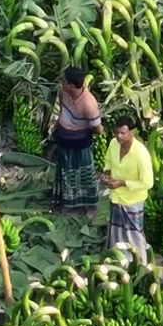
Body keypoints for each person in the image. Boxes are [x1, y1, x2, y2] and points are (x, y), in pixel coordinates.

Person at [51, 66, 103, 216]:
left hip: (81, 145)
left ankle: (91, 206)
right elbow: (61, 109)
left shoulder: (89, 104)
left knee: (85, 175)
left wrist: (80, 132)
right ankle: (67, 202)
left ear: (72, 85)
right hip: (64, 141)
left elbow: (98, 129)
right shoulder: (64, 92)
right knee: (67, 174)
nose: (61, 83)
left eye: (64, 81)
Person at [100, 119, 152, 262]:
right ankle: (119, 260)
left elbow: (148, 183)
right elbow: (108, 161)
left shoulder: (141, 154)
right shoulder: (113, 144)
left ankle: (140, 263)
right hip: (116, 197)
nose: (119, 136)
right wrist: (106, 173)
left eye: (122, 133)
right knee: (116, 232)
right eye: (116, 132)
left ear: (132, 132)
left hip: (132, 201)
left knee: (134, 235)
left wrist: (122, 183)